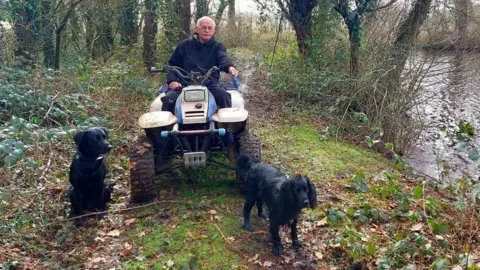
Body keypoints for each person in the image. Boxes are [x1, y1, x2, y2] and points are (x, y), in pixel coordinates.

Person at [161, 16, 239, 112]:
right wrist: (172, 80)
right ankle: (166, 127)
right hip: (184, 85)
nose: (207, 30)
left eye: (210, 28)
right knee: (169, 99)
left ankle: (228, 126)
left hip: (209, 85)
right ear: (196, 29)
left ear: (214, 30)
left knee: (224, 97)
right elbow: (172, 65)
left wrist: (229, 67)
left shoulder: (218, 46)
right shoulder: (184, 45)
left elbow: (223, 58)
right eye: (204, 27)